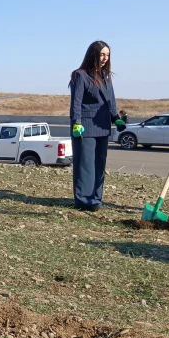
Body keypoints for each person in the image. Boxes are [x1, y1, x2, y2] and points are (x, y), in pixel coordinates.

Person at [70, 41, 123, 212]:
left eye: (107, 55)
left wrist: (117, 119)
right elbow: (76, 103)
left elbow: (111, 102)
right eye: (101, 54)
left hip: (102, 127)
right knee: (85, 164)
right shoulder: (80, 75)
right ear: (93, 54)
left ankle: (95, 198)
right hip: (85, 127)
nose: (105, 58)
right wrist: (76, 123)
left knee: (99, 164)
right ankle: (83, 200)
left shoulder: (106, 77)